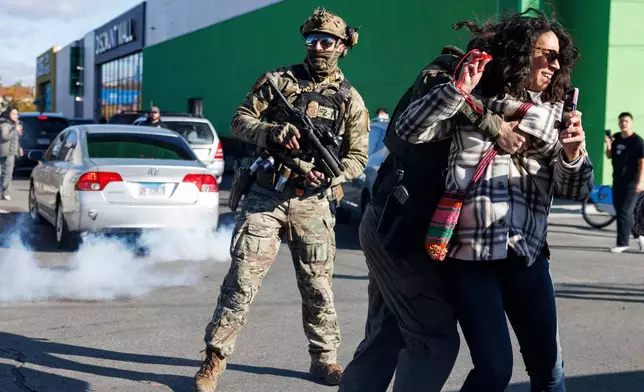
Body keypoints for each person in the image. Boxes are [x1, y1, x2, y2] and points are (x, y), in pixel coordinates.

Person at [395, 9, 593, 392]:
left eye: (559, 57)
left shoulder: (556, 114)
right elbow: (409, 130)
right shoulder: (471, 102)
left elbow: (575, 190)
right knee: (494, 372)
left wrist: (572, 154)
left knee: (549, 371)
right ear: (520, 52)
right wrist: (457, 91)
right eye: (546, 53)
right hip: (471, 260)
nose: (555, 63)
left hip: (528, 258)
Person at [193, 7, 369, 392]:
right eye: (313, 39)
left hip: (314, 202)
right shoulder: (278, 83)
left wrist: (331, 173)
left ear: (342, 46)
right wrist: (271, 133)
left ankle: (324, 361)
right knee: (241, 279)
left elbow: (359, 157)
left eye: (327, 41)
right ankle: (214, 359)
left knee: (318, 287)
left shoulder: (350, 99)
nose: (319, 47)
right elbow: (240, 120)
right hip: (267, 195)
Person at [339, 38, 527, 392]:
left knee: (387, 335)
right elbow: (407, 130)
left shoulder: (497, 96)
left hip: (400, 228)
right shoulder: (447, 75)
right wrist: (492, 123)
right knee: (433, 340)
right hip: (398, 229)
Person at [605, 112, 644, 253]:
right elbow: (609, 156)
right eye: (621, 121)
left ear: (631, 123)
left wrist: (641, 182)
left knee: (624, 211)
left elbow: (642, 163)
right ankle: (639, 236)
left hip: (632, 182)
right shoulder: (616, 139)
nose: (623, 123)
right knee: (622, 211)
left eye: (626, 121)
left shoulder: (637, 141)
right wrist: (608, 145)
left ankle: (622, 243)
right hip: (617, 180)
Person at [0, 107, 23, 201]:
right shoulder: (5, 124)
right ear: (8, 114)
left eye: (17, 114)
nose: (16, 116)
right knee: (5, 173)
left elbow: (16, 138)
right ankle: (4, 192)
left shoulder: (14, 124)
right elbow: (5, 137)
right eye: (13, 113)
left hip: (12, 151)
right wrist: (15, 129)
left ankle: (5, 192)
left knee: (8, 173)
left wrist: (19, 148)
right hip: (5, 151)